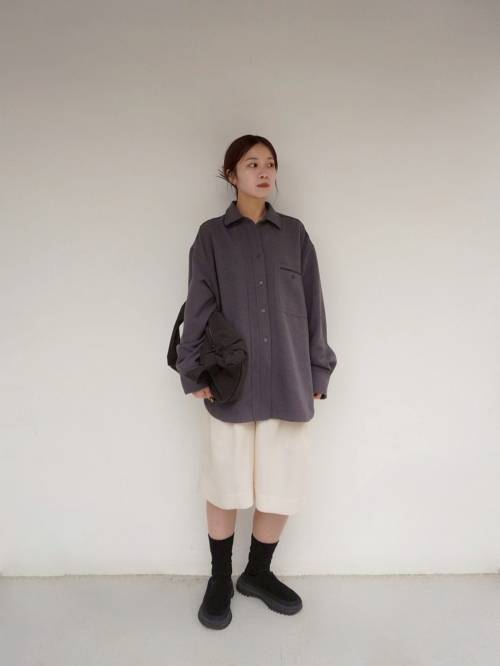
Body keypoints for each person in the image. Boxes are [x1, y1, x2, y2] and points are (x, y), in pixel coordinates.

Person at [175, 134, 337, 629]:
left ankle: (258, 574)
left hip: (288, 378)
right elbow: (198, 304)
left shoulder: (295, 235)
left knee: (281, 483)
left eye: (270, 163)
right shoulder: (211, 237)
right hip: (231, 382)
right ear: (232, 175)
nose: (264, 171)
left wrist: (318, 368)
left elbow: (313, 305)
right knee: (224, 483)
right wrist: (193, 370)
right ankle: (220, 579)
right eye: (251, 164)